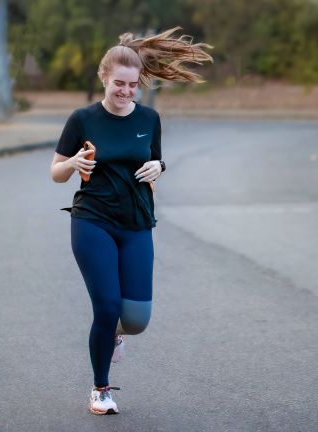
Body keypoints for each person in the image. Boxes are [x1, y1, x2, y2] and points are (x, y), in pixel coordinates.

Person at [50, 27, 212, 415]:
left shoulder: (150, 118)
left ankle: (115, 335)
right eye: (118, 83)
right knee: (106, 307)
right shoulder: (82, 119)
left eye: (132, 85)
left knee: (136, 319)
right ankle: (100, 389)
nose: (125, 91)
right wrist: (73, 163)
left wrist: (161, 166)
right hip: (93, 220)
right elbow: (56, 171)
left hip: (137, 222)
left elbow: (153, 162)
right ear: (103, 78)